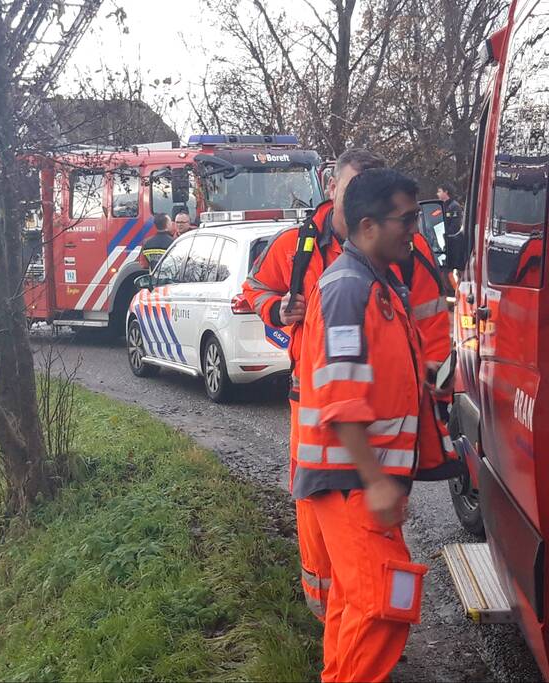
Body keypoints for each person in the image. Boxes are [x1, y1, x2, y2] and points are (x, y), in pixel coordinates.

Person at [242, 149, 455, 633]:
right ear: (335, 187)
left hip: (373, 418)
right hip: (317, 404)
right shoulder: (304, 250)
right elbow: (253, 289)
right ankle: (333, 615)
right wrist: (278, 309)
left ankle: (347, 619)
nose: (412, 228)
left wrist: (429, 387)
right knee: (323, 527)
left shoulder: (403, 255)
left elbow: (429, 323)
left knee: (369, 566)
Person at [296, 168, 459, 682]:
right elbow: (341, 398)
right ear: (368, 225)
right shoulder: (350, 289)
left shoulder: (376, 283)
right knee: (384, 606)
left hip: (357, 486)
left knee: (353, 605)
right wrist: (375, 482)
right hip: (351, 486)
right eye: (406, 219)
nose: (415, 230)